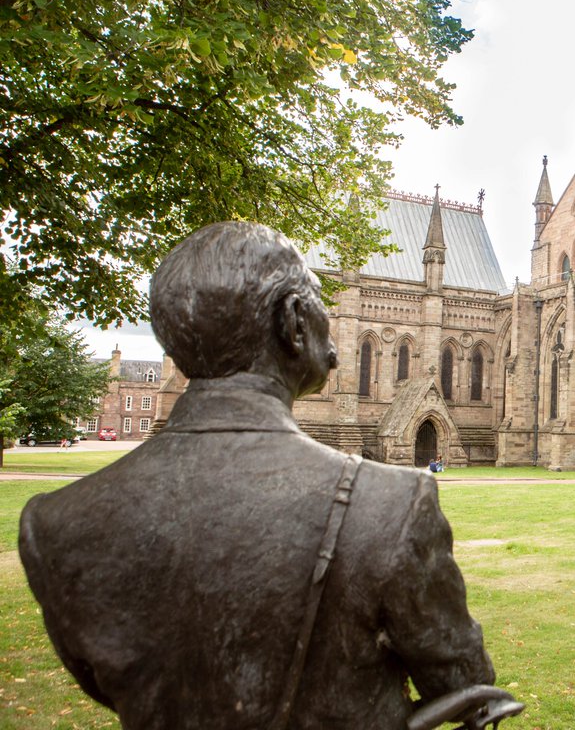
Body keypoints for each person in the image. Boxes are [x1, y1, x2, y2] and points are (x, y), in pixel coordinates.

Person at [19, 222, 514, 730]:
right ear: (294, 323)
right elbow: (467, 683)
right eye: (323, 302)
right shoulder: (393, 507)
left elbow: (108, 679)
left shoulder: (54, 525)